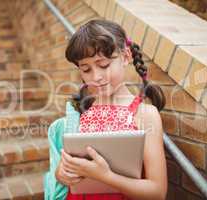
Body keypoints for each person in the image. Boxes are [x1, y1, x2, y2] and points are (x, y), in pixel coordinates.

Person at [44, 19, 168, 200]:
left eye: (103, 65)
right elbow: (63, 171)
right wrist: (61, 173)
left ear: (125, 56)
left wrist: (105, 176)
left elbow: (157, 192)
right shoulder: (79, 112)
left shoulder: (145, 115)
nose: (96, 77)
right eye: (86, 70)